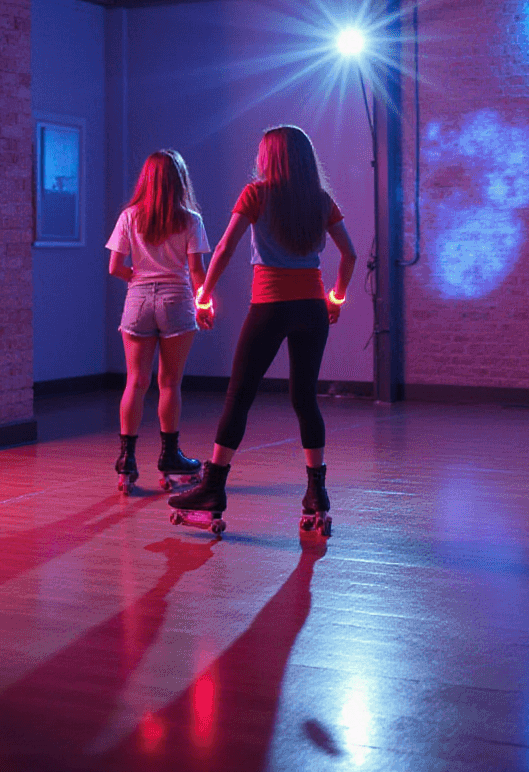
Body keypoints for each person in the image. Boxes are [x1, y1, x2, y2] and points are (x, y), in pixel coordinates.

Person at [170, 126, 355, 536]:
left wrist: (203, 294)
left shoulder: (256, 194)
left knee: (239, 396)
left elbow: (224, 248)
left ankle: (213, 489)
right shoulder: (320, 201)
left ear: (270, 157)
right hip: (310, 309)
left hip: (269, 306)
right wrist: (336, 298)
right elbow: (350, 254)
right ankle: (316, 494)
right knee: (305, 399)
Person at [107, 150, 211, 493]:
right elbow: (196, 272)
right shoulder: (190, 219)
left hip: (137, 300)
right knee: (170, 383)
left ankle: (127, 461)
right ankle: (169, 458)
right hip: (176, 300)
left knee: (136, 382)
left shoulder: (129, 217)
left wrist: (138, 278)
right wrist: (204, 304)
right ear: (179, 180)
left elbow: (115, 267)